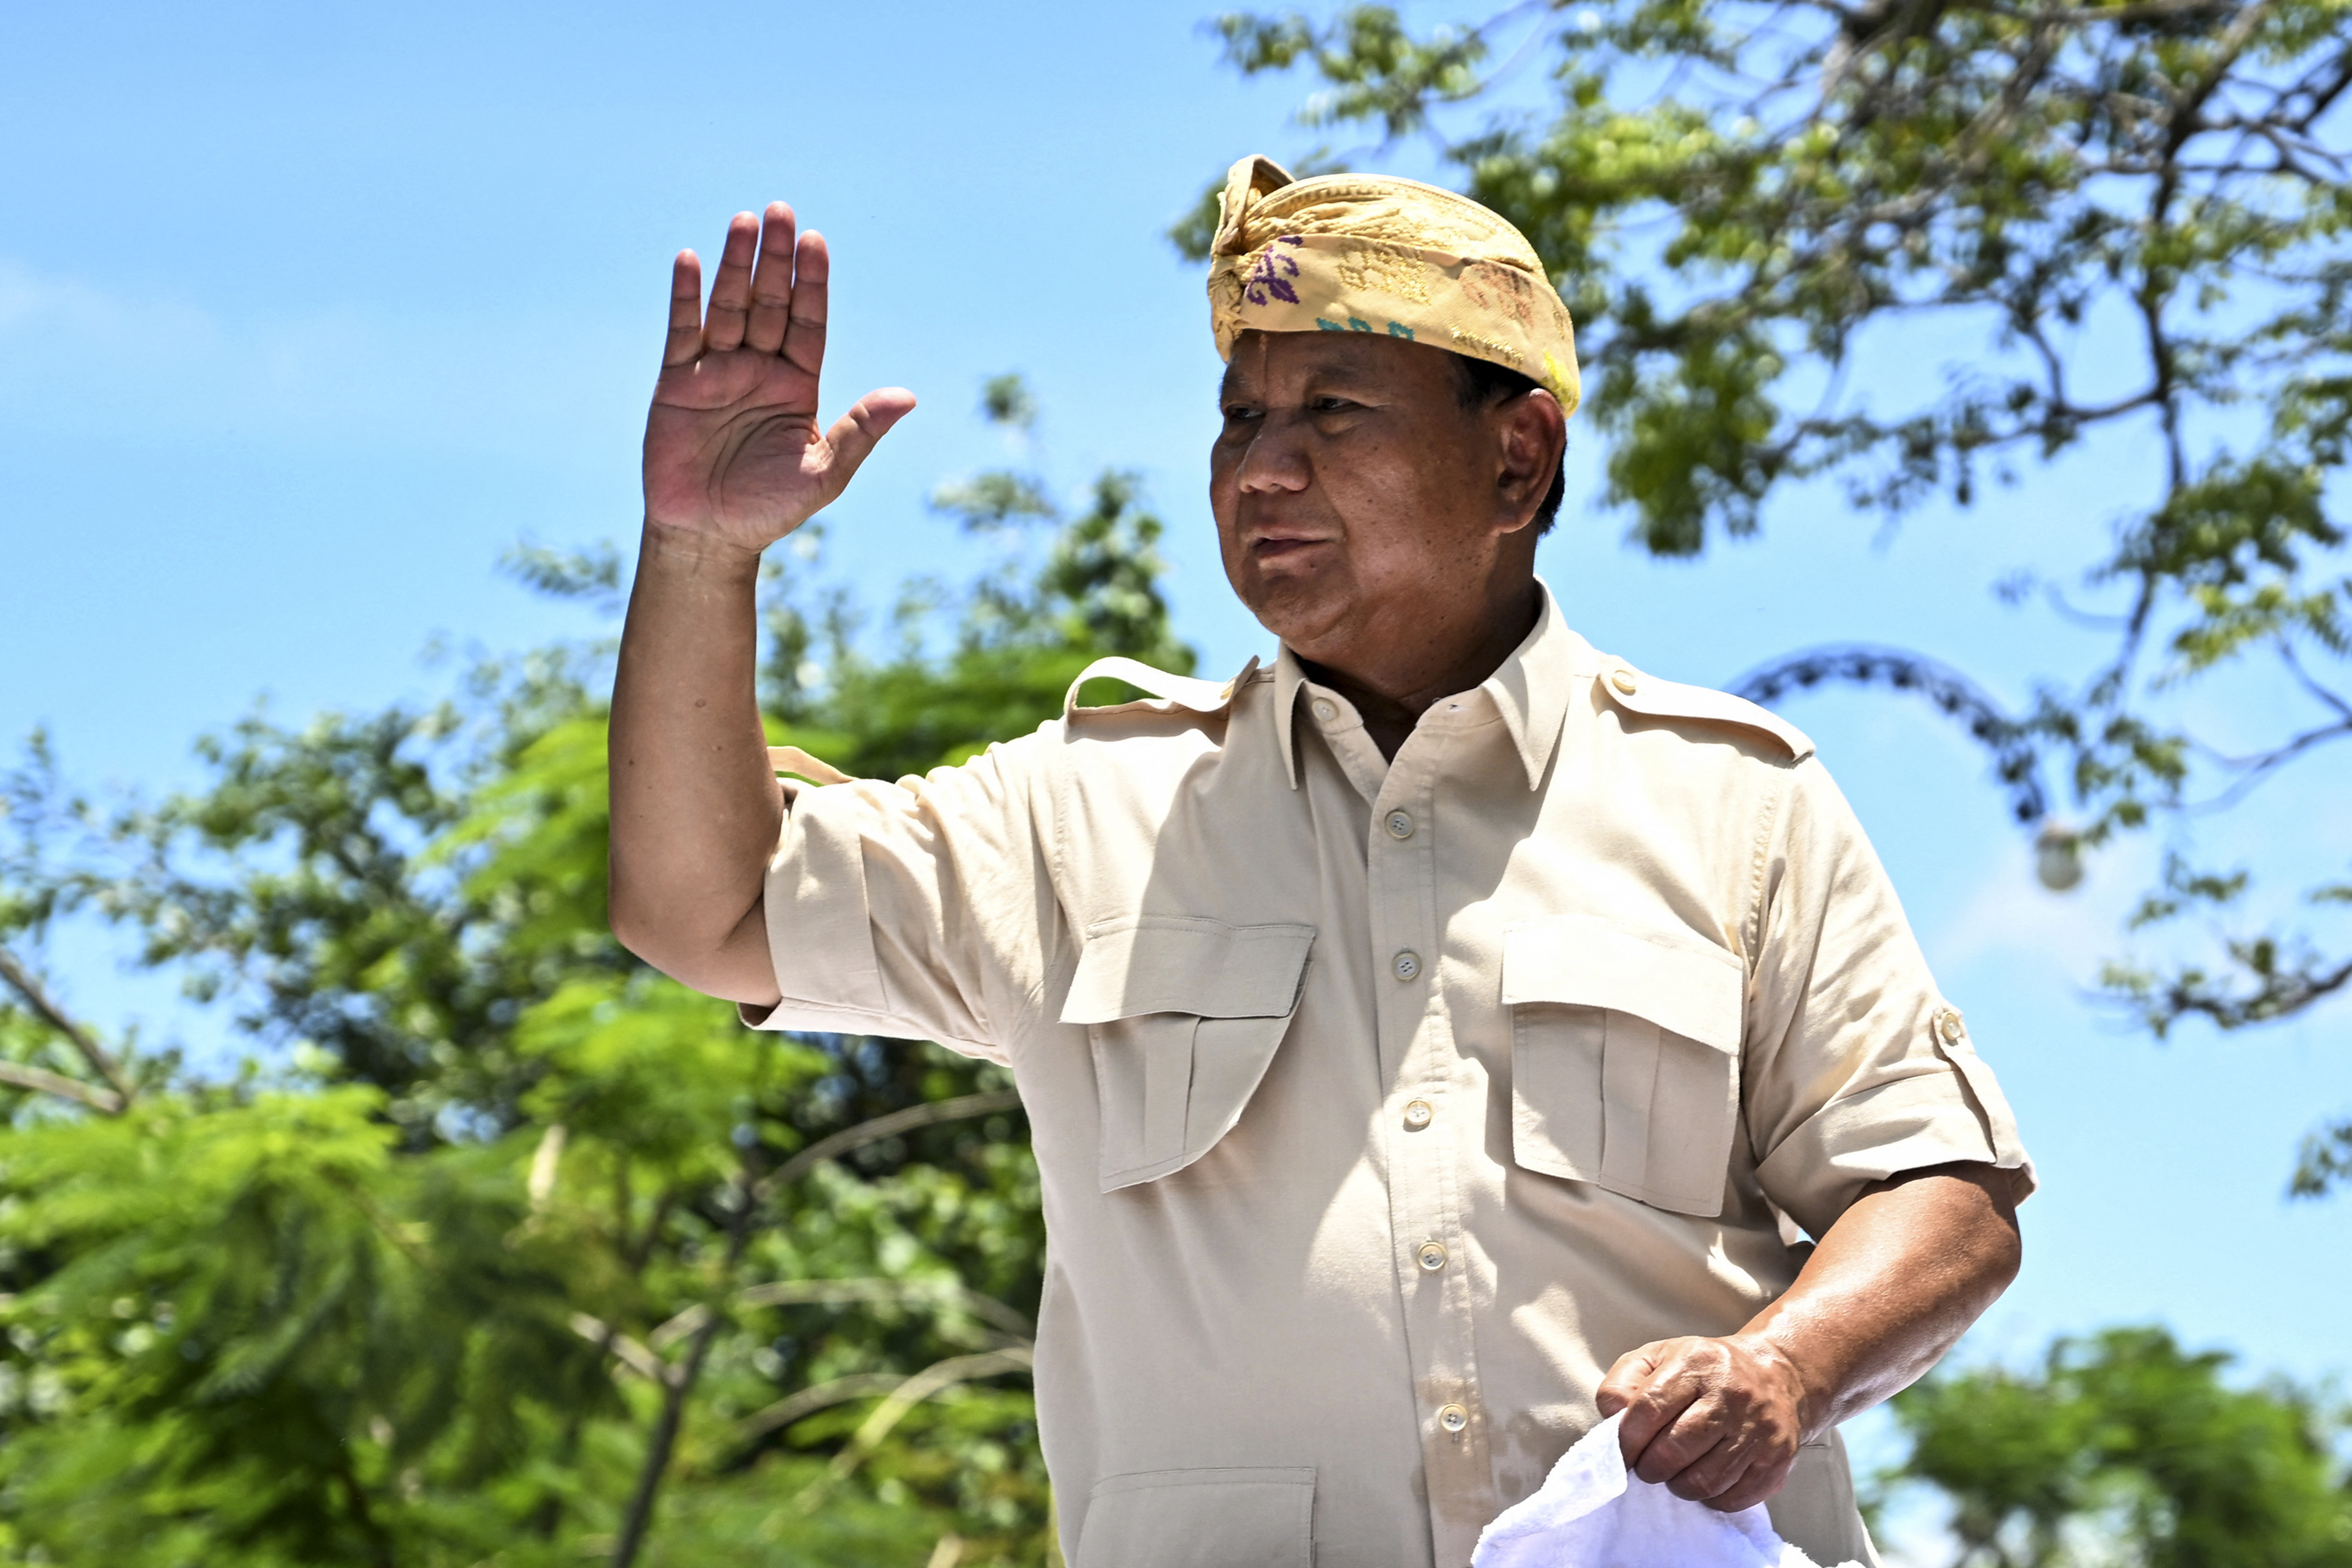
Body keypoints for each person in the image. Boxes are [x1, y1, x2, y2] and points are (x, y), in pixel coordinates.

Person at [608, 155, 2033, 1568]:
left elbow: (1943, 1197)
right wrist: (698, 552)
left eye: (1333, 412)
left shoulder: (1732, 801)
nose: (1262, 468)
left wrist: (1785, 1367)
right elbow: (703, 912)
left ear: (1517, 457)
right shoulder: (1080, 812)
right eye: (1240, 418)